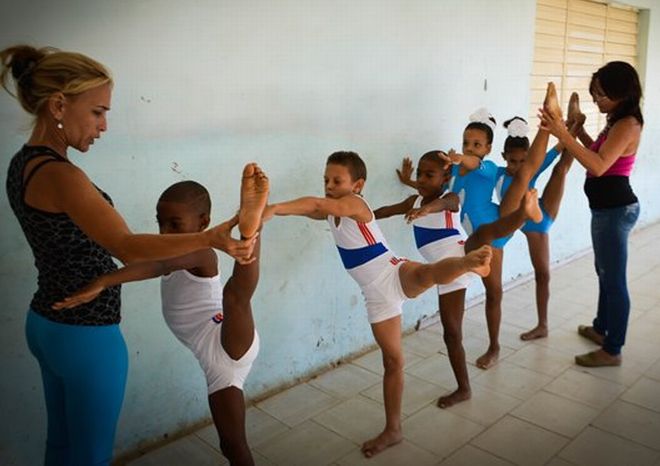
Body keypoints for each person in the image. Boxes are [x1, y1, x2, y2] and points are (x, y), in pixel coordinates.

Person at [1, 44, 255, 465]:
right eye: (98, 111)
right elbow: (127, 245)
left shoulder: (21, 163)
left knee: (61, 447)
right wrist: (208, 238)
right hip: (86, 334)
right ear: (59, 105)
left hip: (46, 322)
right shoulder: (62, 175)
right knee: (90, 456)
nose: (104, 125)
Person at [263, 151, 492, 457]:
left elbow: (319, 204)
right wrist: (283, 211)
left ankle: (467, 262)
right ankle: (393, 430)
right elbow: (315, 209)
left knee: (428, 273)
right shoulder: (333, 210)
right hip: (375, 295)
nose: (329, 185)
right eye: (326, 180)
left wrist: (274, 208)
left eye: (337, 180)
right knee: (393, 362)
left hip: (391, 271)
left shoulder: (355, 204)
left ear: (358, 185)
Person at [54, 168, 268, 466]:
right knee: (230, 445)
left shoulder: (203, 252)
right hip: (213, 348)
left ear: (203, 223)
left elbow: (156, 265)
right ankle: (251, 228)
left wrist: (105, 280)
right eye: (161, 224)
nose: (165, 232)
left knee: (235, 298)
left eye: (175, 224)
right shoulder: (178, 248)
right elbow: (157, 261)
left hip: (224, 343)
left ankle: (251, 230)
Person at [375, 151, 543, 408]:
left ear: (444, 180)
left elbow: (445, 205)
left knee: (483, 234)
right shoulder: (414, 200)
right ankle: (464, 389)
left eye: (428, 175)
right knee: (452, 334)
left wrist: (426, 210)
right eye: (419, 174)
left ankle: (523, 214)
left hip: (460, 251)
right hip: (445, 272)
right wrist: (360, 215)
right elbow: (386, 211)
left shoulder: (449, 197)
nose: (421, 179)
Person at [444, 85, 560, 368]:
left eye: (476, 145)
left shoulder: (483, 167)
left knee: (493, 293)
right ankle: (524, 210)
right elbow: (448, 193)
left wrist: (466, 159)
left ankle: (494, 348)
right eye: (466, 143)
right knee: (523, 177)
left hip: (494, 231)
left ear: (487, 150)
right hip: (489, 227)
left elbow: (474, 162)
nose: (469, 149)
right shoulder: (456, 172)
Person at [540, 61, 643, 367]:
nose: (597, 100)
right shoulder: (616, 120)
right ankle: (601, 329)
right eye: (595, 94)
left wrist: (562, 132)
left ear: (622, 94)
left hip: (615, 211)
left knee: (614, 281)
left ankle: (613, 350)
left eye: (602, 95)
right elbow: (598, 154)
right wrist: (579, 130)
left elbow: (597, 166)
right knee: (604, 272)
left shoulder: (627, 125)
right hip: (606, 210)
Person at [495, 110, 584, 341]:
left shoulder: (531, 168)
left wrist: (571, 129)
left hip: (540, 218)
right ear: (504, 156)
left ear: (529, 157)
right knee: (542, 273)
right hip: (522, 219)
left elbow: (558, 149)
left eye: (523, 161)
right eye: (512, 161)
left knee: (560, 170)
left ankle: (576, 123)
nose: (517, 166)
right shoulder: (497, 175)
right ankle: (542, 326)